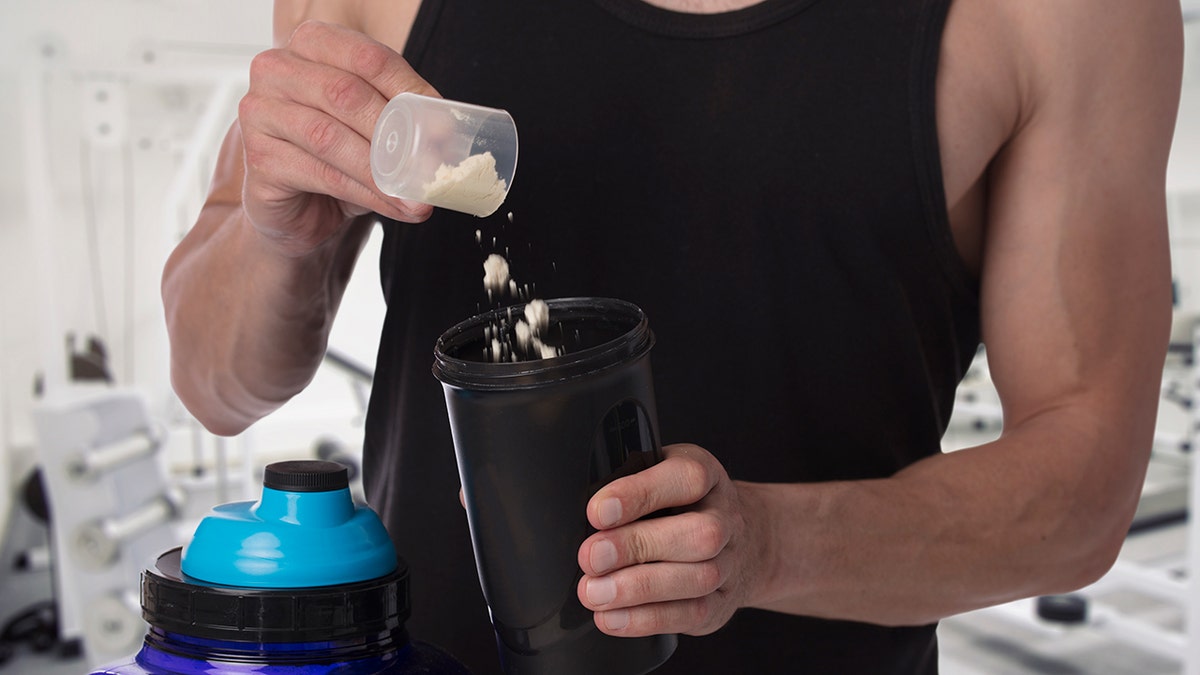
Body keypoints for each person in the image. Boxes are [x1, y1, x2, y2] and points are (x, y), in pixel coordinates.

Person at [161, 0, 1184, 672]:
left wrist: (768, 549)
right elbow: (218, 383)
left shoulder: (1063, 15)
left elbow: (1083, 488)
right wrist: (274, 238)